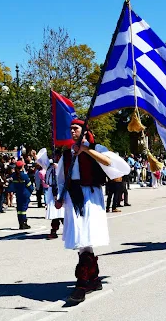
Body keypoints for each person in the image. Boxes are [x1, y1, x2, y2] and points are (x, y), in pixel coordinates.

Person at [55, 119, 129, 304]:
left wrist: (86, 149)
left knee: (85, 238)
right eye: (70, 128)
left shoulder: (97, 147)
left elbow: (111, 164)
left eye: (76, 128)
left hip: (91, 195)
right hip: (74, 196)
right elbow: (61, 178)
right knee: (81, 239)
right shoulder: (67, 153)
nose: (72, 131)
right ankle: (93, 279)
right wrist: (59, 196)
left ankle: (82, 284)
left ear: (85, 130)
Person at [36, 148, 65, 239]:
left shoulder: (64, 164)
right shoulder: (50, 165)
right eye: (54, 155)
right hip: (52, 190)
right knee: (55, 213)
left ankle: (70, 230)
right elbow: (42, 162)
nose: (55, 157)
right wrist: (35, 156)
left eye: (57, 155)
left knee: (63, 213)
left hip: (62, 190)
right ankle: (54, 230)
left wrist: (59, 168)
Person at [6, 161, 33, 230]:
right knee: (23, 209)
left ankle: (21, 223)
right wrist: (30, 192)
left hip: (18, 194)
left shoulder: (14, 175)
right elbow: (30, 186)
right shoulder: (24, 176)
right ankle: (24, 223)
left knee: (19, 209)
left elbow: (11, 184)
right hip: (25, 194)